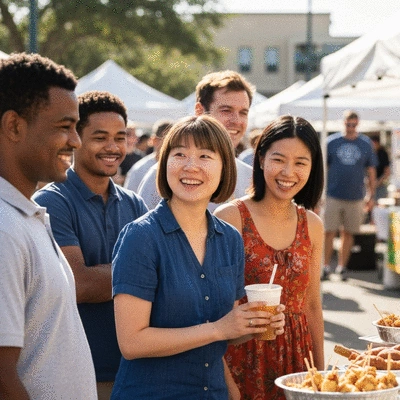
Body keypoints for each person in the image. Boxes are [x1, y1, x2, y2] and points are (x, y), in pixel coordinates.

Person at [111, 115, 285, 400]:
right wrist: (218, 329)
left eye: (205, 156)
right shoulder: (140, 237)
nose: (191, 166)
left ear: (223, 168)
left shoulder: (229, 238)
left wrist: (253, 325)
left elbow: (224, 329)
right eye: (179, 154)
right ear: (165, 162)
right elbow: (132, 342)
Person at [33, 90, 148, 400]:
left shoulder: (135, 204)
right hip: (77, 375)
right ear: (75, 139)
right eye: (100, 137)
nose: (112, 147)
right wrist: (140, 274)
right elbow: (78, 284)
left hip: (134, 371)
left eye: (120, 137)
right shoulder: (51, 202)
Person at [0, 53, 97, 399]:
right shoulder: (4, 228)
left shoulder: (26, 215)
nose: (76, 141)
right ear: (14, 126)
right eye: (63, 126)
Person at [214, 115, 325, 400]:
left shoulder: (312, 224)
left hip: (298, 360)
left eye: (301, 162)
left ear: (312, 168)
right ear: (261, 159)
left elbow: (312, 304)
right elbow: (213, 307)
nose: (288, 172)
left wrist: (322, 376)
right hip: (241, 356)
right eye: (279, 159)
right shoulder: (230, 218)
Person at [137, 70, 253, 210]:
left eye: (243, 113)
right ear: (199, 110)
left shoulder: (251, 178)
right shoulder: (164, 174)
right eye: (226, 110)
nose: (236, 121)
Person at [322, 110, 377, 281]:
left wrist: (371, 195)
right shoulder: (332, 142)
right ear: (343, 123)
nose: (351, 127)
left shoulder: (365, 143)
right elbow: (323, 169)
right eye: (348, 124)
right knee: (328, 231)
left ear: (358, 124)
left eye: (354, 124)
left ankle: (342, 266)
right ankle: (325, 266)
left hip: (356, 196)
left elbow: (371, 170)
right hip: (333, 194)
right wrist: (320, 193)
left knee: (348, 233)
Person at [124, 119, 172, 192]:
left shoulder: (177, 168)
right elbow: (127, 200)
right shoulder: (139, 170)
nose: (171, 145)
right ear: (154, 140)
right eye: (167, 141)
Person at [113, 120, 142, 185]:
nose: (131, 138)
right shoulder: (114, 156)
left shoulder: (140, 157)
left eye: (134, 135)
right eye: (128, 134)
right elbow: (116, 179)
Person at [371, 134, 390, 201]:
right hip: (370, 184)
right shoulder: (370, 153)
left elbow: (387, 171)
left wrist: (378, 182)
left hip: (380, 185)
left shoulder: (383, 154)